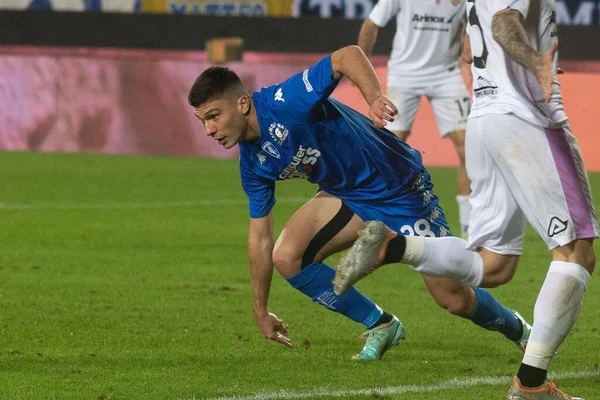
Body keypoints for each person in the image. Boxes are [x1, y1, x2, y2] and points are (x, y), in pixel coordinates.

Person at [187, 45, 531, 361]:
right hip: (348, 195)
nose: (209, 130)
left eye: (214, 116)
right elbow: (259, 238)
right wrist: (260, 310)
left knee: (453, 298)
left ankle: (518, 329)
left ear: (242, 104)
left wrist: (375, 97)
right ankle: (380, 324)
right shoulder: (252, 162)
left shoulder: (284, 102)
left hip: (399, 186)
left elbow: (346, 56)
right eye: (203, 120)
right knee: (287, 256)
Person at [334, 2, 598, 398]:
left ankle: (396, 246)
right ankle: (531, 387)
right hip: (527, 117)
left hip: (485, 119)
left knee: (494, 265)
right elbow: (504, 21)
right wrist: (535, 63)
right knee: (576, 250)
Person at [358, 0, 472, 238]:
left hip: (446, 75)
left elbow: (472, 26)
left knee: (470, 150)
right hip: (404, 74)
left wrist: (468, 59)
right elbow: (372, 23)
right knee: (388, 151)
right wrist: (362, 65)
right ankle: (379, 221)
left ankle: (470, 233)